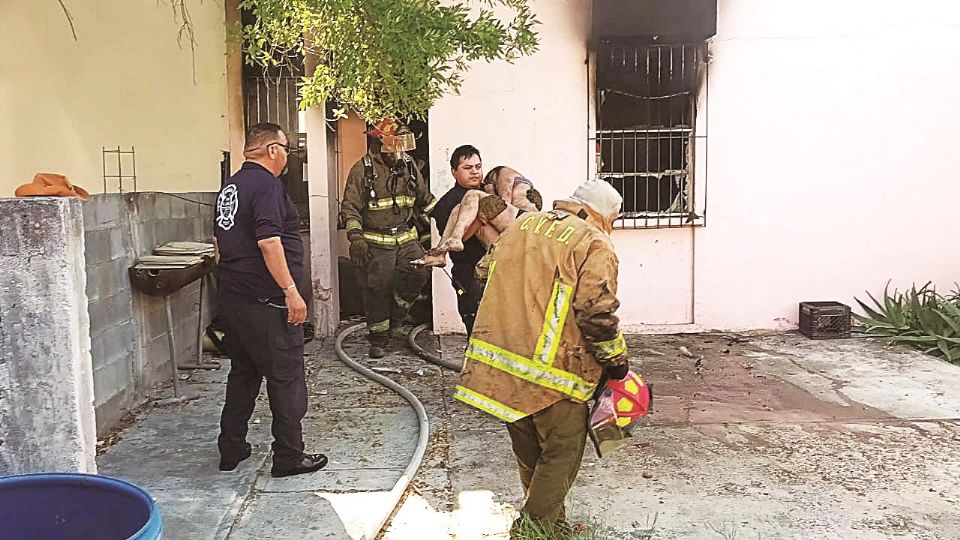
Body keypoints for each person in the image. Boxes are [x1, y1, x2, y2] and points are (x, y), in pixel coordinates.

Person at [453, 179, 630, 537]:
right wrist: (616, 359)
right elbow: (595, 312)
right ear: (606, 214)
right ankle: (528, 532)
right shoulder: (594, 242)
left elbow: (484, 273)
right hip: (553, 373)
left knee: (531, 454)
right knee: (561, 456)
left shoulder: (522, 226)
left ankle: (554, 527)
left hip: (502, 368)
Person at [214, 122, 327, 478]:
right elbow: (268, 241)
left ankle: (231, 448)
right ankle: (289, 455)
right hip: (266, 301)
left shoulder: (230, 186)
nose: (287, 159)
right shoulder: (265, 185)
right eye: (286, 151)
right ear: (273, 150)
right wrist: (291, 292)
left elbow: (219, 246)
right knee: (286, 377)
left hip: (234, 299)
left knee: (244, 372)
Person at [340, 119, 436, 358]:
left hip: (405, 237)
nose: (401, 151)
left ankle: (397, 318)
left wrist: (451, 220)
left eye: (404, 145)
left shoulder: (409, 165)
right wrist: (356, 238)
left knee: (420, 270)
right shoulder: (362, 170)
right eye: (397, 145)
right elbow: (350, 207)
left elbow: (426, 200)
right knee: (377, 289)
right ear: (380, 143)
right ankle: (379, 339)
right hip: (376, 241)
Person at [417, 165, 542, 265]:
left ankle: (454, 240)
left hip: (525, 224)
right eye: (468, 168)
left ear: (493, 178)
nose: (485, 187)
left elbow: (503, 201)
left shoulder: (504, 173)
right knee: (460, 209)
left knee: (473, 194)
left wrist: (483, 210)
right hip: (516, 241)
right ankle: (441, 252)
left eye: (478, 167)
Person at [425, 145, 487, 335]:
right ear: (454, 172)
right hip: (469, 273)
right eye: (468, 168)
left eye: (478, 166)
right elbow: (454, 244)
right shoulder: (446, 205)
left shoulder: (490, 193)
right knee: (477, 327)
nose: (475, 172)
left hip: (498, 270)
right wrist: (480, 219)